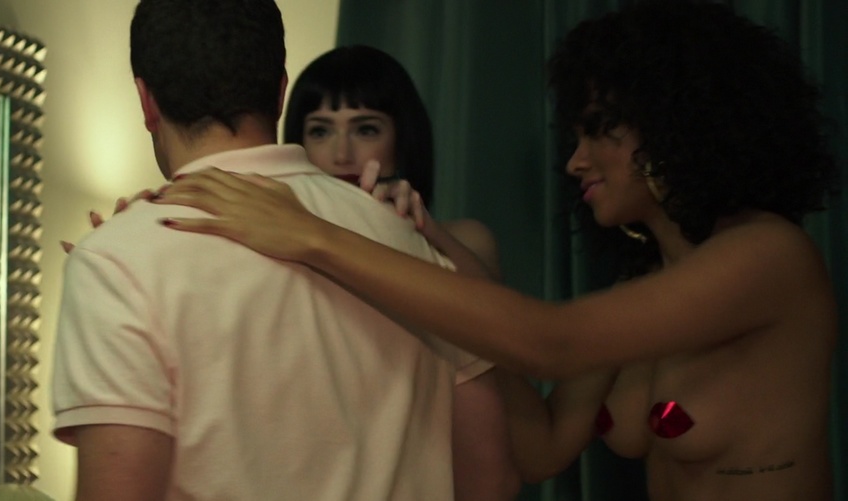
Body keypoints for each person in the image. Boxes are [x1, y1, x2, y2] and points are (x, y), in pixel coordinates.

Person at [151, 1, 840, 500]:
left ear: (673, 122)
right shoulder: (645, 292)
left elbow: (552, 343)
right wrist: (429, 241)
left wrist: (314, 234)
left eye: (597, 129)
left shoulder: (769, 257)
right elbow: (540, 448)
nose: (575, 160)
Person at [50, 0, 519, 500]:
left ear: (146, 101)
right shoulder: (403, 236)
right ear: (279, 92)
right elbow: (490, 479)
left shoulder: (119, 261)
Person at [283, 44, 500, 280]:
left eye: (366, 130)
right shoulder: (282, 235)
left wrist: (423, 228)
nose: (342, 155)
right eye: (320, 132)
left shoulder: (467, 239)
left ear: (403, 138)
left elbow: (493, 303)